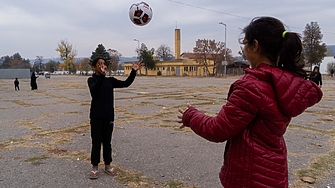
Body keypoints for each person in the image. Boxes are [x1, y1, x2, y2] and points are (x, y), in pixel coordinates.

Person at [177, 16, 323, 188]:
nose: (244, 50)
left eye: (245, 44)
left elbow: (218, 129)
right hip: (273, 172)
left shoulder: (251, 87)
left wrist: (191, 116)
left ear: (255, 45)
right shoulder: (283, 83)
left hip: (249, 177)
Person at [87, 57, 141, 179]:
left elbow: (126, 83)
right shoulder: (91, 80)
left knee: (107, 142)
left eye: (103, 64)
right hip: (96, 116)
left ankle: (108, 165)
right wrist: (101, 76)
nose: (102, 66)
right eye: (99, 64)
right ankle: (94, 167)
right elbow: (94, 92)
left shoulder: (110, 81)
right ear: (94, 67)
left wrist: (133, 71)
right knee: (96, 142)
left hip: (108, 116)